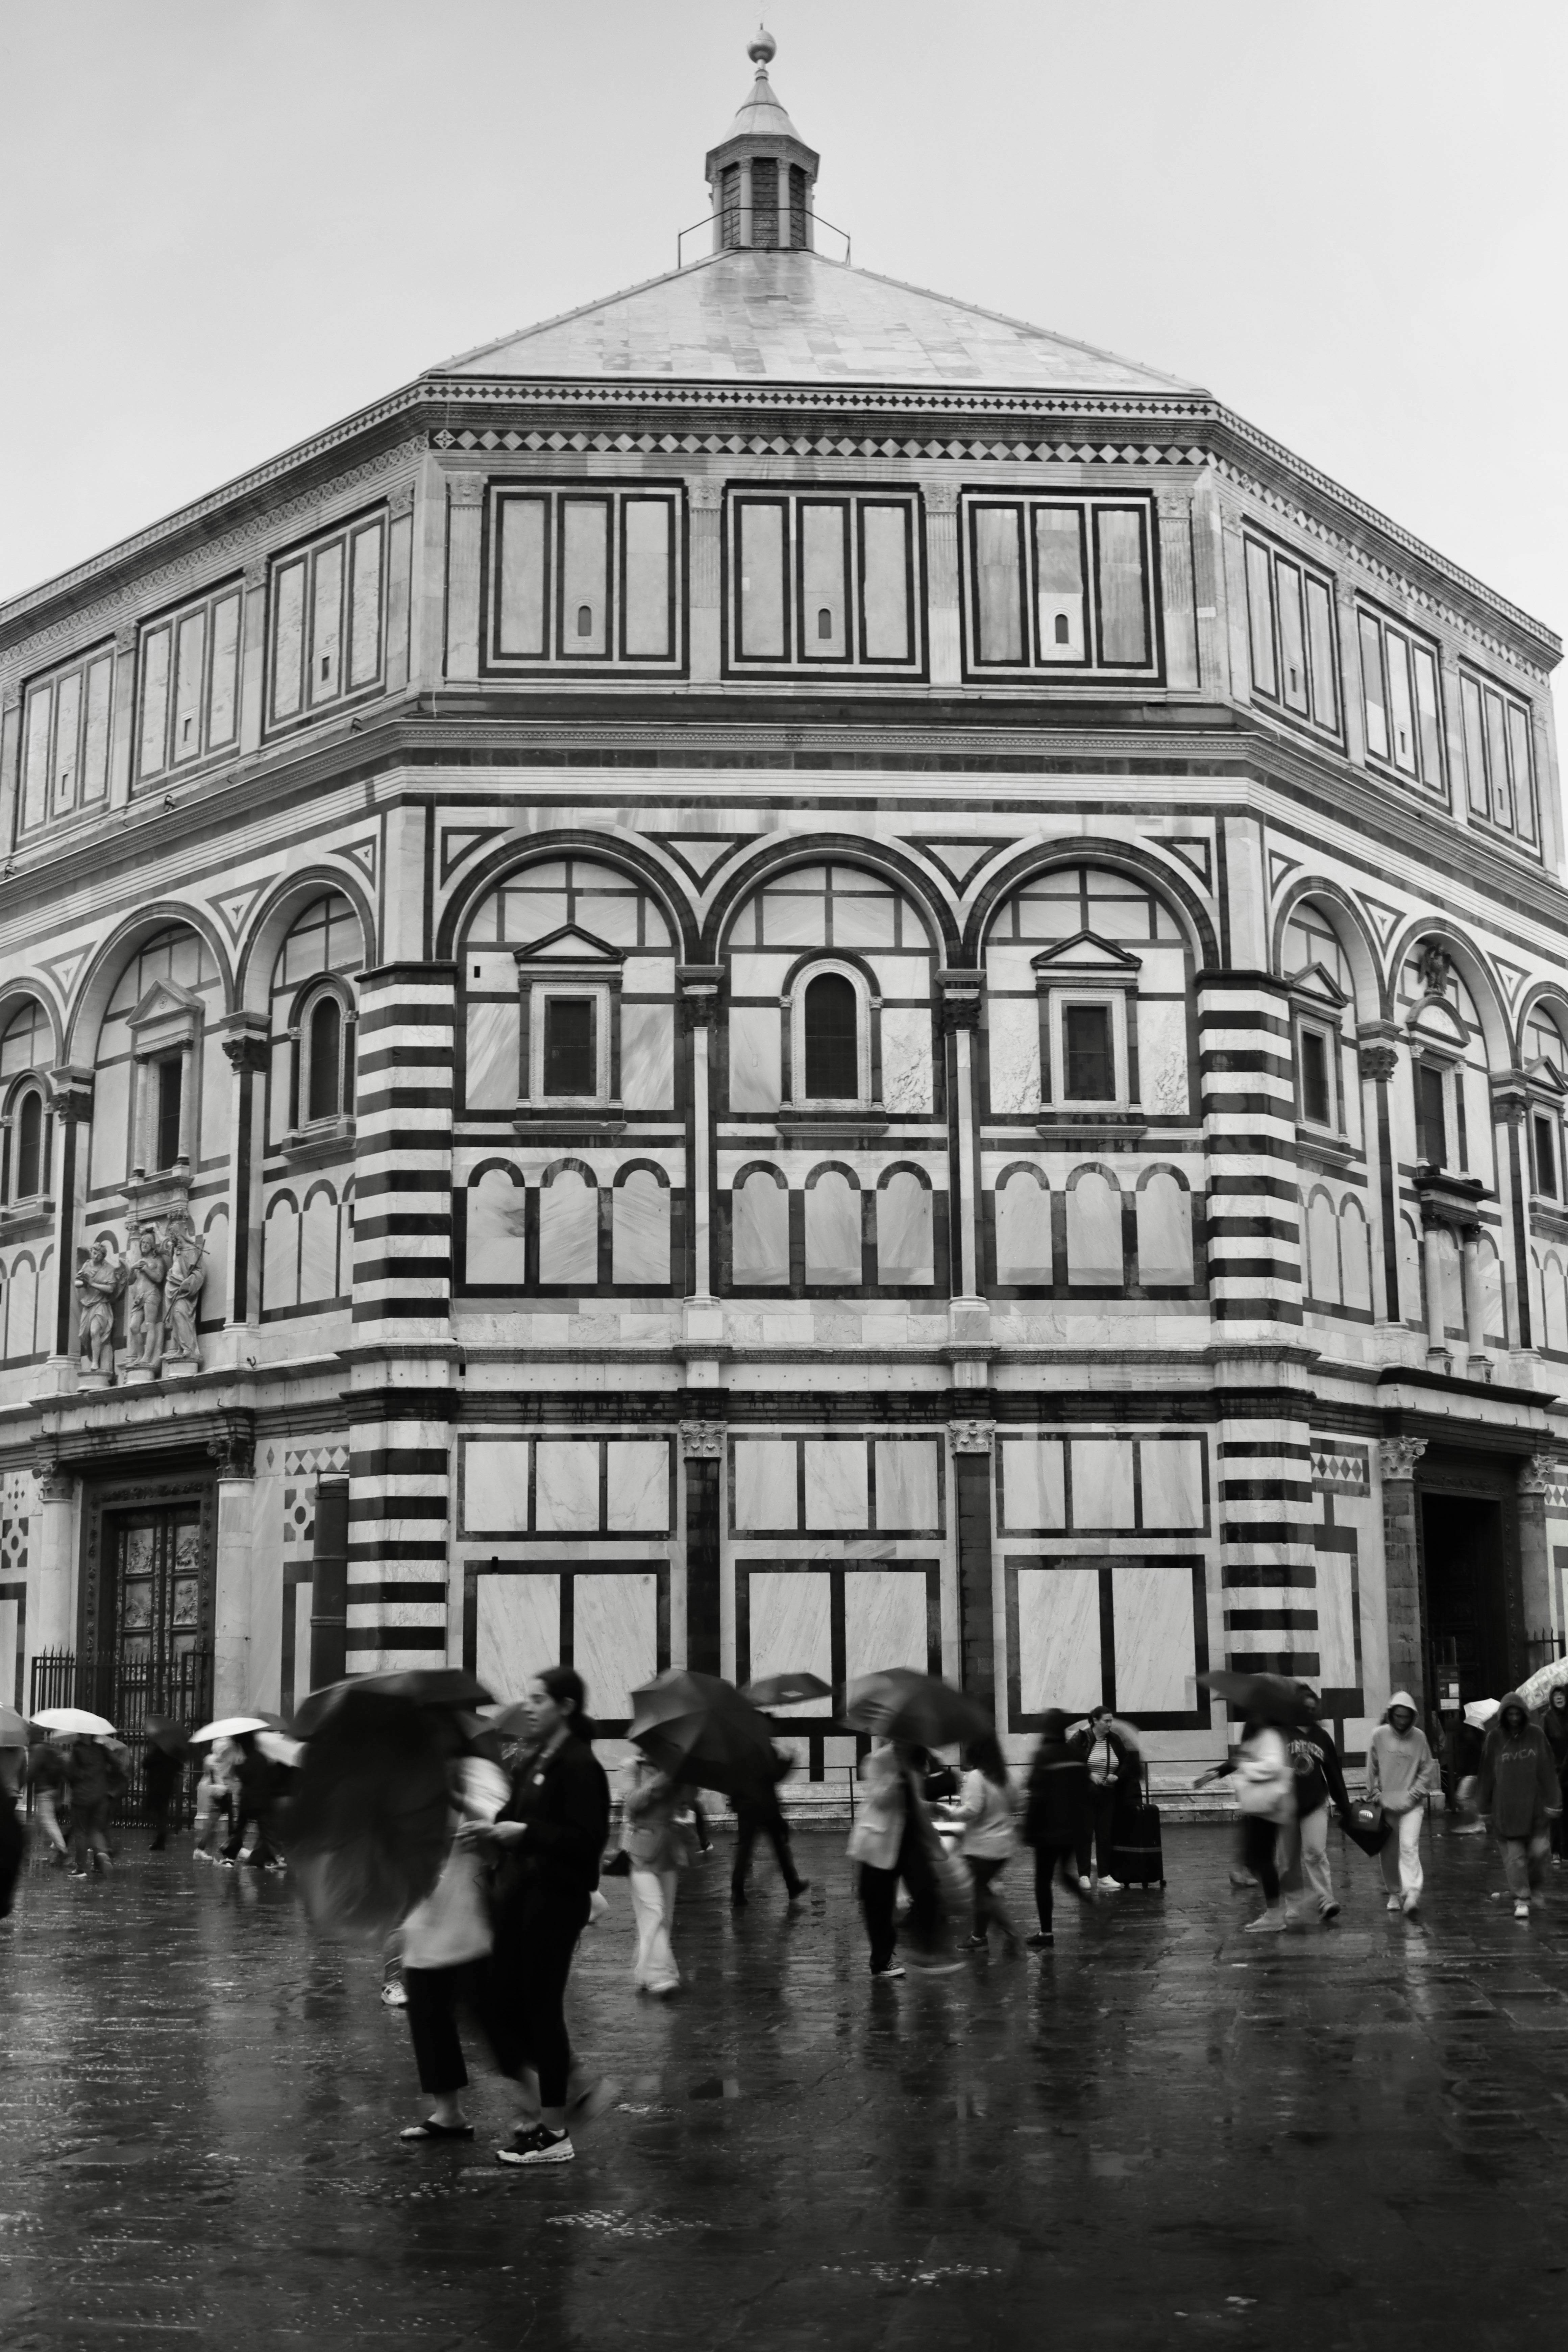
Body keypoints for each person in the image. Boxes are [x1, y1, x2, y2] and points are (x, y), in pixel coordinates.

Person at [477, 1667, 610, 2167]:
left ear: (566, 1707)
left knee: (542, 2012)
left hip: (556, 1901)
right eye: (529, 1698)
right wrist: (488, 1830)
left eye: (539, 1699)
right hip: (523, 1898)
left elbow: (585, 1842)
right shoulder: (540, 1758)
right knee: (505, 2002)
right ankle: (549, 2107)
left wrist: (522, 1835)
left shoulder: (579, 1764)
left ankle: (555, 2131)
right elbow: (513, 1812)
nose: (529, 1706)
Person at [398, 1745, 512, 2141]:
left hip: (469, 1923)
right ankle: (448, 2113)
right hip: (424, 1924)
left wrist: (455, 1797)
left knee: (493, 2024)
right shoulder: (412, 1783)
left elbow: (497, 1825)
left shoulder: (474, 1772)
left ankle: (546, 2107)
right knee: (429, 2021)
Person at [847, 1739, 957, 1979]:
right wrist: (898, 1775)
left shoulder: (917, 1760)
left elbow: (912, 1800)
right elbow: (880, 1800)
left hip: (910, 1839)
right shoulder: (878, 1760)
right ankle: (881, 1961)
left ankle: (929, 1953)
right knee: (879, 1905)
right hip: (879, 1840)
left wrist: (931, 1807)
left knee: (927, 1890)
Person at [1478, 1692, 1562, 1921]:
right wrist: (1484, 1807)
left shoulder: (1536, 1735)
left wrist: (1554, 1800)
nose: (1514, 1718)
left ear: (1524, 1714)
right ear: (1504, 1716)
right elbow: (1486, 1774)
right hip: (1506, 1811)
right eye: (1510, 1715)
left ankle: (1534, 1887)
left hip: (1535, 1808)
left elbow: (1547, 1768)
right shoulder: (1494, 1739)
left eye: (1518, 1714)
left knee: (1540, 1851)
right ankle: (1521, 1898)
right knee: (1515, 1859)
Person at [1278, 1688, 1351, 1926]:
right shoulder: (1280, 1733)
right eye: (1304, 1708)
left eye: (1313, 1708)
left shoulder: (1321, 1736)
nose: (1309, 1712)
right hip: (1286, 1805)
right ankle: (1293, 1902)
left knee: (1315, 1852)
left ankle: (1326, 1900)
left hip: (1315, 1802)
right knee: (1288, 1858)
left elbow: (1333, 1773)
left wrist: (1344, 1805)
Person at [1021, 1710, 1093, 1946]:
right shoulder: (1077, 1754)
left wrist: (1028, 1831)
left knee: (1043, 1880)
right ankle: (1091, 1905)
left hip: (1047, 1831)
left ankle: (1046, 1932)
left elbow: (1036, 1794)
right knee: (1064, 1874)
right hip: (1073, 1828)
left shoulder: (1044, 1755)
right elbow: (1086, 1792)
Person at [619, 1757, 689, 1995]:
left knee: (665, 1917)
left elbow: (683, 1808)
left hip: (669, 1850)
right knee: (653, 1911)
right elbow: (631, 1805)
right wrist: (659, 1782)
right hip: (642, 1850)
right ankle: (661, 1975)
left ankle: (644, 1972)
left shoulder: (677, 1769)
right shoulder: (632, 1766)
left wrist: (684, 1790)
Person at [946, 1731, 1021, 1953]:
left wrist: (950, 1812)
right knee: (983, 1890)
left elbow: (972, 1810)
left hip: (982, 1845)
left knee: (983, 1892)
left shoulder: (977, 1777)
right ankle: (980, 1936)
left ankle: (1006, 1932)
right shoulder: (1006, 1775)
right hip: (1004, 1844)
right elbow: (1016, 1804)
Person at [1367, 1691, 1438, 1917]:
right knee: (1388, 1851)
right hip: (1386, 1804)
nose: (1402, 1721)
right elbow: (1372, 1767)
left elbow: (1427, 1769)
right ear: (1391, 1714)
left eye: (1406, 1716)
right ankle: (1394, 1893)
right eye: (1398, 1716)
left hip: (1412, 1804)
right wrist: (1375, 1791)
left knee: (1409, 1846)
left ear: (1412, 1716)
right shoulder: (1378, 1736)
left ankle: (1413, 1892)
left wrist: (1415, 1793)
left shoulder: (1419, 1738)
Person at [1232, 1715, 1294, 1933]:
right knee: (1257, 1858)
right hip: (1258, 1806)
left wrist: (1248, 1768)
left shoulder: (1268, 1735)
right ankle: (1276, 1911)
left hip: (1266, 1807)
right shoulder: (1259, 1735)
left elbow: (1273, 1765)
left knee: (1262, 1859)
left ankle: (1276, 1913)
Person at [730, 1743, 809, 1908]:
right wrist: (790, 1760)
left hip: (746, 1806)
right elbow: (775, 1774)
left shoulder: (737, 1753)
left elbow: (731, 1779)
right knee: (780, 1848)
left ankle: (737, 1893)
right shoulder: (764, 1749)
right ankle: (793, 1885)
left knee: (745, 1851)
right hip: (765, 1806)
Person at [1074, 1706, 1139, 1893]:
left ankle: (1104, 1876)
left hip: (1107, 1794)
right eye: (1107, 1721)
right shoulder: (1082, 1738)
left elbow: (1126, 1762)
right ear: (1095, 1720)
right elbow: (1071, 1761)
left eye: (1111, 1721)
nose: (1110, 1724)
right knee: (1085, 1835)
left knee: (1105, 1836)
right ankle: (1084, 1875)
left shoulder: (1114, 1740)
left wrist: (1117, 1776)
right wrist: (1089, 1775)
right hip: (1086, 1795)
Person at [220, 1733, 283, 1870]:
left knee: (242, 1830)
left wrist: (237, 1767)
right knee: (264, 1831)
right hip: (260, 1800)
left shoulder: (251, 1758)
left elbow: (246, 1776)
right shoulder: (260, 1757)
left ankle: (231, 1857)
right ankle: (271, 1857)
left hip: (250, 1801)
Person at [67, 1735, 125, 1877]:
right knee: (96, 1830)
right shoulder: (102, 1749)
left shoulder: (77, 1750)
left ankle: (81, 1868)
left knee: (80, 1831)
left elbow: (71, 1773)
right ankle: (103, 1853)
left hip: (82, 1796)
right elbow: (119, 1764)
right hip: (101, 1796)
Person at [29, 1736, 71, 1866]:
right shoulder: (52, 1750)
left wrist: (27, 1780)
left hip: (44, 1791)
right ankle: (26, 1848)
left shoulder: (38, 1750)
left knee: (48, 1822)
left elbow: (33, 1770)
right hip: (54, 1789)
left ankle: (63, 1850)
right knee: (39, 1821)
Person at [1540, 1686, 1568, 1861]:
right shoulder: (1547, 1718)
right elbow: (1544, 1746)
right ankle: (1556, 1850)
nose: (1559, 1698)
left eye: (1562, 1695)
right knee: (1557, 1811)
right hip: (1557, 1771)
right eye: (1556, 1695)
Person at [144, 1740, 183, 1853]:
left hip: (156, 1787)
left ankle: (162, 1835)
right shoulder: (173, 1755)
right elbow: (179, 1767)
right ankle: (161, 1837)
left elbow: (145, 1763)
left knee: (154, 1812)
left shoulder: (157, 1753)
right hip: (167, 1787)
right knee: (162, 1813)